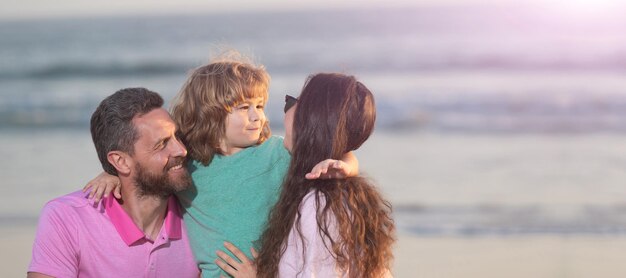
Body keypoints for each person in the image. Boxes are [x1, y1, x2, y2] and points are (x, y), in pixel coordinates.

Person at [84, 53, 359, 277]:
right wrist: (111, 176)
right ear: (209, 113)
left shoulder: (276, 152)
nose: (257, 117)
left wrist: (346, 166)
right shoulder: (187, 164)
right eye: (243, 108)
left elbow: (341, 152)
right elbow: (146, 169)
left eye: (260, 106)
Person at [217, 73, 395, 277]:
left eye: (294, 103)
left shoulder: (320, 206)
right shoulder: (336, 194)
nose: (286, 109)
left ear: (311, 119)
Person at [28, 88, 200, 277]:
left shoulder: (200, 214)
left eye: (177, 136)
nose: (181, 150)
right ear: (121, 162)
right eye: (162, 144)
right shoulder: (67, 218)